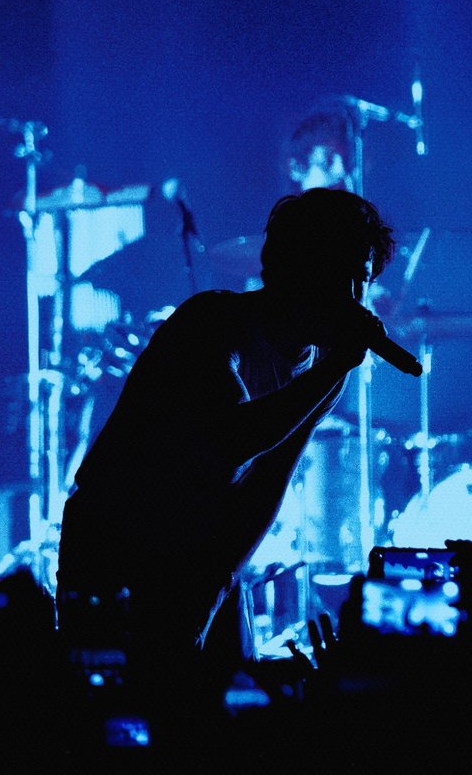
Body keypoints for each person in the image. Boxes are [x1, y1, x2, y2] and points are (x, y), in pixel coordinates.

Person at [54, 187, 399, 722]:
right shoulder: (211, 324)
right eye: (345, 272)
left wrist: (217, 577)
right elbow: (234, 438)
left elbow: (270, 478)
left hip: (199, 558)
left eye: (365, 277)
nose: (356, 293)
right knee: (125, 723)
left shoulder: (319, 364)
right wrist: (334, 373)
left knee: (225, 726)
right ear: (300, 264)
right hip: (118, 546)